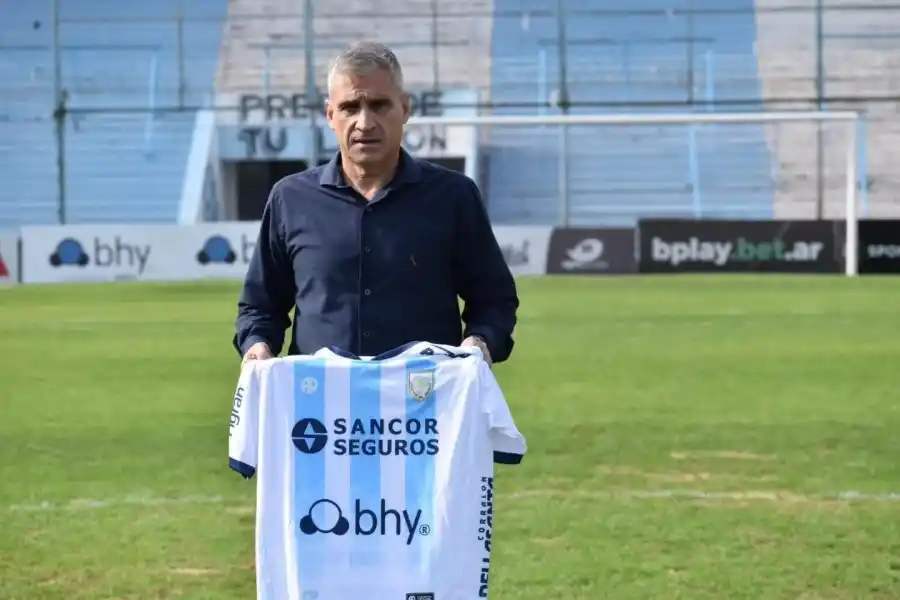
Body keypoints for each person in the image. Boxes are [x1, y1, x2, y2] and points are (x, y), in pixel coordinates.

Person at [233, 40, 519, 366]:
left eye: (379, 105)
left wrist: (480, 341)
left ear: (405, 108)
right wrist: (257, 344)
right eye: (350, 107)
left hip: (424, 406)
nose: (365, 123)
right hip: (320, 405)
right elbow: (260, 306)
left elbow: (494, 299)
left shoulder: (453, 196)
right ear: (330, 114)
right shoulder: (290, 198)